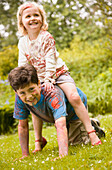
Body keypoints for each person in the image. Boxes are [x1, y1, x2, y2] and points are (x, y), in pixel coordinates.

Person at [16, 1, 101, 148]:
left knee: (74, 96)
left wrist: (48, 80)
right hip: (38, 79)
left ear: (42, 19)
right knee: (34, 104)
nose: (32, 18)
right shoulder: (22, 42)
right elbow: (23, 65)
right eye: (28, 16)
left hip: (57, 73)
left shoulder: (47, 37)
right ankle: (38, 141)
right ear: (22, 22)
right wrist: (23, 83)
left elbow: (50, 61)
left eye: (36, 15)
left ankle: (91, 132)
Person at [8, 64, 103, 160]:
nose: (29, 97)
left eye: (31, 89)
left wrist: (62, 155)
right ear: (16, 92)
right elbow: (22, 126)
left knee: (77, 143)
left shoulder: (52, 94)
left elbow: (60, 124)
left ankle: (92, 127)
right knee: (68, 138)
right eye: (23, 93)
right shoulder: (20, 98)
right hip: (58, 116)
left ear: (39, 84)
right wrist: (25, 154)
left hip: (74, 112)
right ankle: (85, 125)